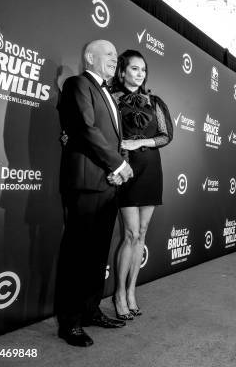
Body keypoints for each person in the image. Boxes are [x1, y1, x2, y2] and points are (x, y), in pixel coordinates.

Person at [55, 40, 134, 347]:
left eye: (116, 55)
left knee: (97, 254)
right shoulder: (78, 84)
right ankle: (70, 322)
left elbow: (112, 138)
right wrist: (117, 164)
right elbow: (85, 129)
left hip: (107, 185)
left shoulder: (109, 95)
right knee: (77, 254)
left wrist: (117, 167)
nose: (116, 59)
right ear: (90, 57)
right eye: (110, 54)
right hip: (86, 182)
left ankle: (89, 311)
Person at [111, 50, 173, 320]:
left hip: (151, 168)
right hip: (125, 168)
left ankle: (132, 291)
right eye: (134, 69)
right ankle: (119, 294)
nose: (139, 74)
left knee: (143, 233)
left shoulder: (154, 101)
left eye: (143, 70)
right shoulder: (112, 98)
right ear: (122, 71)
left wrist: (140, 142)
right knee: (131, 235)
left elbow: (166, 135)